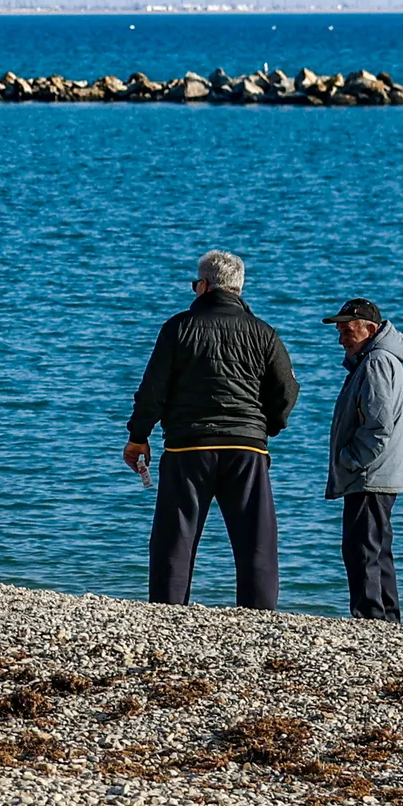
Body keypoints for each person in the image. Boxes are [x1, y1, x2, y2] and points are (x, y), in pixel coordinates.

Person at [125, 250, 299, 609]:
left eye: (195, 284)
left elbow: (153, 389)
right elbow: (286, 391)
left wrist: (138, 436)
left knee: (175, 537)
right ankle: (258, 614)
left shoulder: (179, 327)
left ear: (204, 285)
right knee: (256, 539)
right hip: (247, 446)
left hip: (188, 445)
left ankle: (167, 609)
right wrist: (266, 425)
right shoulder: (264, 333)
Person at [323, 298, 403, 623]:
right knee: (376, 548)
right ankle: (386, 619)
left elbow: (378, 426)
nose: (341, 339)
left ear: (370, 330)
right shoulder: (377, 360)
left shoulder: (376, 362)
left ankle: (371, 618)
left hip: (370, 475)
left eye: (347, 331)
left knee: (362, 549)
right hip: (377, 473)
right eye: (340, 331)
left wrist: (351, 460)